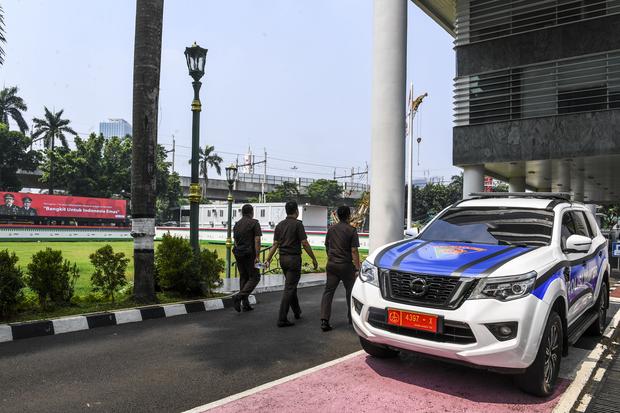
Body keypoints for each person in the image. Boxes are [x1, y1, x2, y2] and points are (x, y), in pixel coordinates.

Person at [265, 201, 319, 327]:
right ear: (296, 211)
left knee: (291, 285)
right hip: (294, 259)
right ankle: (282, 318)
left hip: (283, 259)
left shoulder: (279, 225)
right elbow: (305, 243)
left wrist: (267, 259)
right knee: (289, 288)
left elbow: (275, 245)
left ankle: (297, 311)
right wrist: (314, 258)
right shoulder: (298, 225)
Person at [320, 205, 361, 332]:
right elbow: (354, 251)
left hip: (332, 265)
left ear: (337, 215)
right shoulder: (352, 230)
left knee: (328, 292)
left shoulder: (331, 230)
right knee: (350, 291)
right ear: (349, 215)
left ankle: (324, 320)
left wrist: (331, 257)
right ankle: (351, 317)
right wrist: (358, 268)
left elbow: (327, 246)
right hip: (346, 266)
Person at [232, 204, 262, 312]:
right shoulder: (254, 223)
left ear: (242, 213)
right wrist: (257, 256)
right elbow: (257, 240)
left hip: (238, 253)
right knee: (255, 277)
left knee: (243, 277)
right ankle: (239, 297)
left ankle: (245, 304)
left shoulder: (237, 224)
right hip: (250, 254)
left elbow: (235, 241)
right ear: (251, 212)